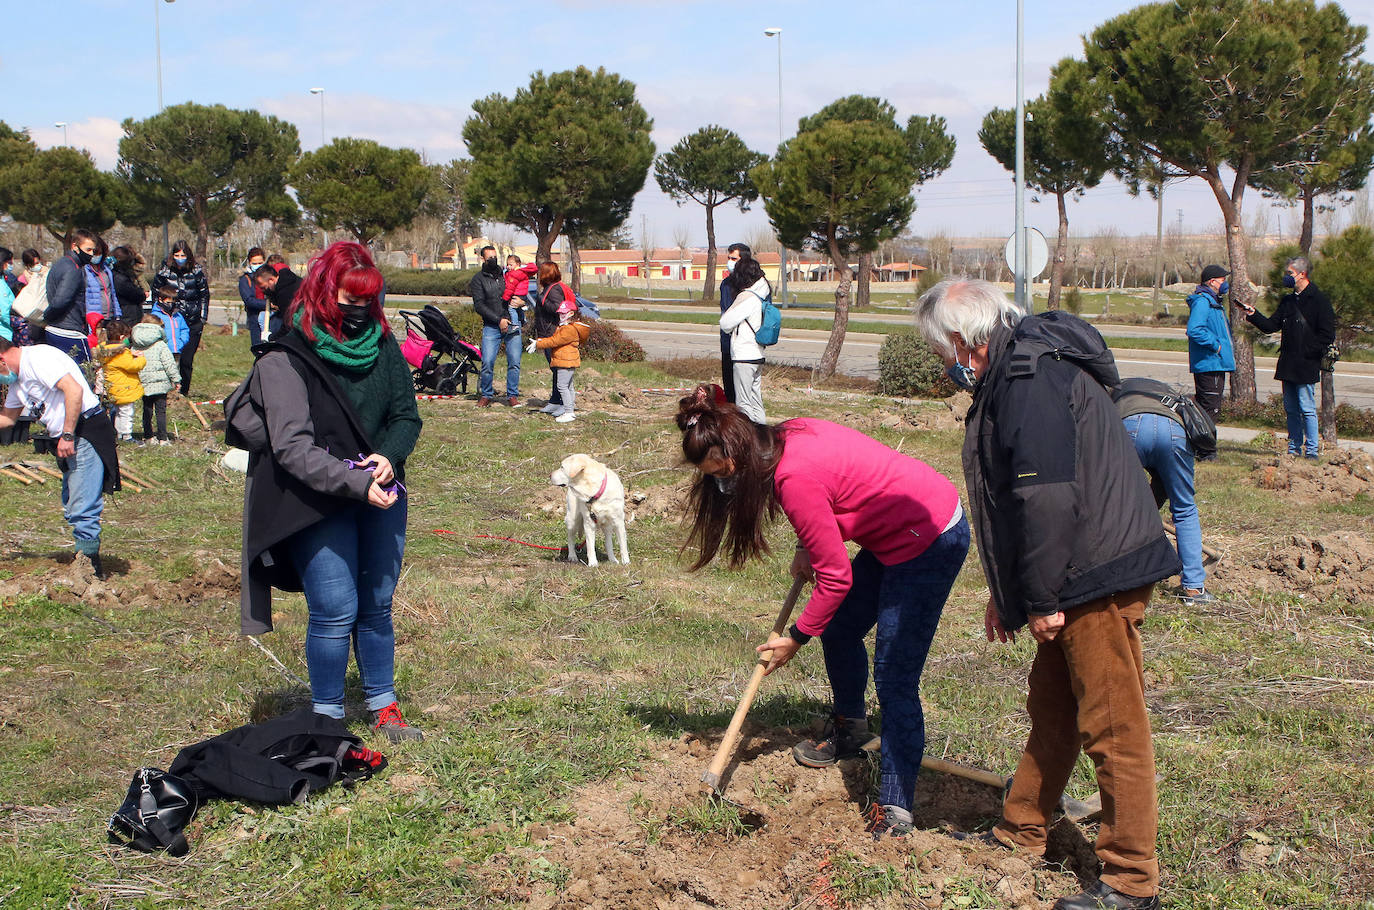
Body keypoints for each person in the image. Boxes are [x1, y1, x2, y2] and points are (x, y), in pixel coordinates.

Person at [915, 279, 1181, 910]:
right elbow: (1021, 501)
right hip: (1075, 565)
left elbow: (1048, 499)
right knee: (1054, 708)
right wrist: (1011, 591)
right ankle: (1022, 828)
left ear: (964, 342)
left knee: (1112, 724)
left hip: (1096, 569)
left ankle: (1130, 878)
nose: (943, 364)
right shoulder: (1019, 364)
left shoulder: (1028, 378)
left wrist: (1038, 599)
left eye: (941, 351)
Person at [674, 386, 968, 838]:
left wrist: (795, 638)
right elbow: (827, 504)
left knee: (895, 676)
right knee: (842, 628)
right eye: (714, 479)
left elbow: (836, 578)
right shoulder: (782, 437)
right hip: (890, 531)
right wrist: (805, 545)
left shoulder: (794, 478)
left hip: (929, 535)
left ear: (742, 454)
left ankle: (895, 807)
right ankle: (851, 730)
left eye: (725, 477)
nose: (723, 488)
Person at [238, 240, 424, 742]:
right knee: (334, 608)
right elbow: (293, 448)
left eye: (370, 301)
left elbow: (406, 415)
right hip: (316, 499)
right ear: (323, 293)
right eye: (349, 301)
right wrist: (357, 483)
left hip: (381, 490)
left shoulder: (384, 344)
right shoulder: (286, 355)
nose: (361, 311)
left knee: (376, 604)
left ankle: (383, 704)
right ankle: (327, 716)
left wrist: (388, 454)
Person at [0, 335, 120, 578]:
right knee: (72, 502)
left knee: (82, 505)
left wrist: (67, 435)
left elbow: (73, 390)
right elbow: (8, 418)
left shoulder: (39, 358)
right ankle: (86, 559)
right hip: (67, 436)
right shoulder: (18, 382)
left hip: (84, 430)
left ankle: (91, 570)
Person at [1115, 378, 1212, 607]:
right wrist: (1150, 509)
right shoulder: (1169, 394)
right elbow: (1163, 482)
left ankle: (1119, 580)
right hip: (1174, 431)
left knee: (1115, 506)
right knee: (1185, 508)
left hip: (1129, 427)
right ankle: (1194, 590)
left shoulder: (1113, 390)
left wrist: (1141, 511)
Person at [1235, 257, 1337, 459]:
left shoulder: (1319, 301)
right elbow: (1271, 326)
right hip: (1288, 363)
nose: (1286, 277)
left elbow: (1327, 335)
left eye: (1289, 273)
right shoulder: (1288, 301)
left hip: (1307, 364)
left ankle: (1312, 451)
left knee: (1307, 408)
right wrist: (1253, 314)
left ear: (1302, 274)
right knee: (1290, 408)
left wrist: (1308, 351)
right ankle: (1293, 449)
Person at [150, 240, 210, 396]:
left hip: (193, 321)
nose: (180, 258)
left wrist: (202, 318)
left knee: (186, 361)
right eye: (177, 255)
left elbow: (204, 295)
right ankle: (167, 391)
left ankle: (183, 392)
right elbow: (156, 295)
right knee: (168, 358)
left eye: (183, 255)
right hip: (171, 319)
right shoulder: (164, 272)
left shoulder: (197, 272)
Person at [719, 255, 770, 424]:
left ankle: (749, 440)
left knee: (743, 403)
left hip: (743, 357)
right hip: (757, 355)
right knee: (756, 401)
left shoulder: (747, 298)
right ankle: (763, 435)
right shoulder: (762, 293)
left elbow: (725, 323)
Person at [471, 245, 520, 407]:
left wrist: (522, 301)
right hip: (492, 326)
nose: (493, 260)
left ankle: (512, 395)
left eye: (495, 257)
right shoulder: (478, 280)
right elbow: (479, 305)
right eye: (490, 257)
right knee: (487, 362)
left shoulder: (506, 275)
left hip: (512, 324)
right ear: (483, 259)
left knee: (514, 361)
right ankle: (486, 394)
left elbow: (519, 290)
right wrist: (498, 320)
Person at [528, 296, 590, 423]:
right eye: (560, 313)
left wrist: (538, 343)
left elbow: (555, 341)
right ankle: (568, 408)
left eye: (564, 313)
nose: (561, 315)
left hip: (565, 362)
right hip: (567, 361)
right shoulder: (566, 327)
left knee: (562, 386)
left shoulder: (568, 329)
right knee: (569, 386)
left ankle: (568, 412)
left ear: (571, 313)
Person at [1185, 264, 1234, 426]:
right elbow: (1194, 330)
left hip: (1216, 364)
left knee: (1209, 409)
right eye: (1223, 280)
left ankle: (1202, 448)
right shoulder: (1203, 302)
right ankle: (1206, 449)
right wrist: (1216, 346)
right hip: (1209, 364)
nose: (1225, 283)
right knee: (1209, 411)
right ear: (1212, 282)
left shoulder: (1214, 302)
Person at [44, 229, 100, 363]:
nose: (91, 254)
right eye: (88, 250)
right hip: (69, 331)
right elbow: (60, 301)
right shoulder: (73, 269)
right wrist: (48, 316)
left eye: (93, 250)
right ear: (75, 246)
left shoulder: (62, 263)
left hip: (58, 328)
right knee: (84, 376)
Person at [532, 261, 573, 413]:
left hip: (553, 333)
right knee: (554, 368)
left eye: (540, 272)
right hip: (548, 333)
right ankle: (555, 400)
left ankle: (564, 403)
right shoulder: (550, 289)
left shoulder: (554, 290)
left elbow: (558, 309)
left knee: (559, 370)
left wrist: (543, 301)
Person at [95, 320, 145, 443]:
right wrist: (141, 359)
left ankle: (118, 433)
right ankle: (127, 435)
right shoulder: (122, 353)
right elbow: (132, 366)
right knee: (127, 412)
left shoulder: (104, 350)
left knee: (118, 412)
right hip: (124, 388)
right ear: (122, 338)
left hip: (112, 387)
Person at [132, 315, 178, 445]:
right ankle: (162, 438)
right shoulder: (160, 345)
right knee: (160, 411)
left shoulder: (136, 344)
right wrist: (176, 379)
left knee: (147, 410)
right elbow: (169, 363)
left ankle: (148, 436)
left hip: (144, 381)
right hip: (160, 383)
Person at [717, 243, 751, 403]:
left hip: (746, 346)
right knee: (730, 389)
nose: (729, 262)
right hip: (727, 344)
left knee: (746, 395)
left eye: (733, 258)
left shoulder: (755, 285)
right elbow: (726, 314)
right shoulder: (726, 284)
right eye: (728, 258)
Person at [256, 254, 302, 341]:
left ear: (271, 280)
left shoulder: (285, 293)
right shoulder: (290, 280)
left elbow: (288, 324)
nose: (263, 291)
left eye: (263, 287)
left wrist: (271, 338)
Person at [83, 237, 119, 347]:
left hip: (109, 315)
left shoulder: (106, 269)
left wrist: (117, 313)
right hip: (94, 317)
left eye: (99, 253)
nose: (96, 256)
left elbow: (112, 292)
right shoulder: (84, 270)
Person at [151, 285, 190, 363]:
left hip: (176, 351)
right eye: (168, 302)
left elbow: (184, 330)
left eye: (173, 302)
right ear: (160, 300)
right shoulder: (155, 316)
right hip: (161, 353)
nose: (170, 305)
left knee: (175, 373)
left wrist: (182, 341)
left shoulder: (178, 316)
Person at [239, 247, 269, 346]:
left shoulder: (270, 277)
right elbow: (249, 300)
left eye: (260, 263)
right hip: (255, 318)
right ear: (249, 263)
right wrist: (268, 304)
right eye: (254, 263)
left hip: (271, 317)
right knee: (258, 347)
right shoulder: (245, 279)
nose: (257, 266)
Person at [110, 246, 147, 326]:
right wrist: (142, 293)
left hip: (127, 315)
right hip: (128, 316)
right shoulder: (121, 279)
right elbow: (138, 295)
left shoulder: (117, 275)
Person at [502, 253, 537, 329]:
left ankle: (515, 324)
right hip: (522, 294)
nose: (508, 267)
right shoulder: (521, 272)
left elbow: (510, 288)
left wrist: (505, 298)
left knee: (511, 308)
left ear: (517, 264)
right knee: (518, 308)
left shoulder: (514, 274)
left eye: (511, 265)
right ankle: (523, 320)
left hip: (517, 294)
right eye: (507, 265)